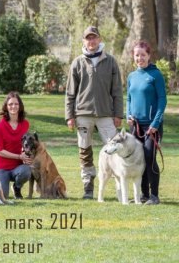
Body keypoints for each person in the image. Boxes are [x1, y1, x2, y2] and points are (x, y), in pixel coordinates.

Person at [65, 26, 123, 199]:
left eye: (94, 38)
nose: (91, 41)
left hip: (106, 114)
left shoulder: (110, 61)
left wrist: (118, 114)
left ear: (99, 39)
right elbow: (70, 93)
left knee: (114, 149)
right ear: (84, 41)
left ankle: (120, 187)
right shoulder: (77, 62)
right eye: (88, 38)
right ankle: (88, 187)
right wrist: (69, 116)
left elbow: (117, 91)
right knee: (85, 151)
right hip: (83, 114)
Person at [126, 40, 167, 205]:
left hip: (152, 126)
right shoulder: (131, 76)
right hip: (135, 125)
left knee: (149, 157)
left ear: (149, 56)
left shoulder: (155, 75)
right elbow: (129, 99)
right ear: (133, 56)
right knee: (138, 158)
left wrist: (155, 124)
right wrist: (128, 114)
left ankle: (154, 196)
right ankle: (143, 195)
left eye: (143, 55)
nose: (140, 58)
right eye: (137, 55)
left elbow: (162, 101)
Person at [0, 92, 32, 199]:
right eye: (10, 104)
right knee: (2, 196)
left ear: (20, 106)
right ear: (6, 107)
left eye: (16, 104)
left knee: (27, 170)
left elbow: (26, 143)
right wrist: (19, 156)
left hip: (18, 167)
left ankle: (17, 188)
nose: (13, 106)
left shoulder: (25, 124)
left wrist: (27, 155)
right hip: (2, 168)